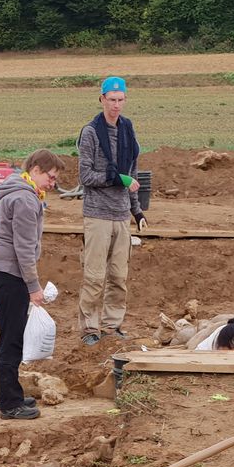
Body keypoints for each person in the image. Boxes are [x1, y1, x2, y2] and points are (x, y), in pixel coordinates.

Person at [0, 149, 66, 421]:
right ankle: (9, 403)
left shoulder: (23, 195)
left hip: (5, 272)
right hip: (9, 275)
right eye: (51, 177)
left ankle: (12, 394)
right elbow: (23, 248)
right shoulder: (24, 200)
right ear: (35, 170)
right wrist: (33, 286)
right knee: (11, 340)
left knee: (11, 337)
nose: (53, 184)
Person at [76, 75, 144, 346]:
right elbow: (85, 176)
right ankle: (89, 328)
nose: (116, 105)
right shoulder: (91, 132)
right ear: (101, 99)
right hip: (97, 214)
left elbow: (133, 173)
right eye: (111, 100)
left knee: (119, 276)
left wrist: (137, 211)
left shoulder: (128, 129)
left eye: (120, 100)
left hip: (121, 214)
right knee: (94, 276)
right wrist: (117, 179)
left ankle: (112, 325)